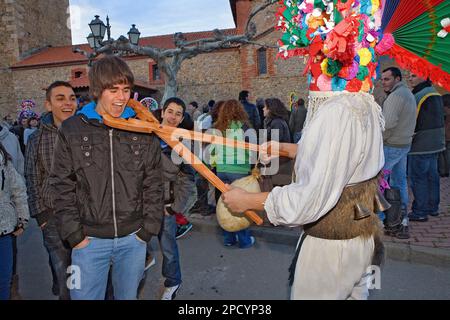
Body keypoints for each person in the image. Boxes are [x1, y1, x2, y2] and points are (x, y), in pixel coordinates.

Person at [223, 1, 386, 299]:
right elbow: (343, 159)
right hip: (359, 237)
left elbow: (309, 199)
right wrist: (286, 148)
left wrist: (247, 200)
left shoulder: (338, 111)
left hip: (332, 248)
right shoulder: (364, 104)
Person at [48, 56, 164, 300]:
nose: (121, 97)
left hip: (133, 240)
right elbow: (61, 185)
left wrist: (148, 230)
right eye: (113, 90)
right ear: (98, 90)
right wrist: (75, 236)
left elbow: (154, 182)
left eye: (126, 90)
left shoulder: (141, 129)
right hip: (88, 242)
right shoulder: (72, 129)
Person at [24, 81, 77, 299]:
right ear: (48, 105)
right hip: (54, 217)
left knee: (88, 274)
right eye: (60, 98)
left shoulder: (87, 133)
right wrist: (43, 216)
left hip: (86, 215)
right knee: (65, 274)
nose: (68, 103)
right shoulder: (37, 139)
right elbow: (32, 177)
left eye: (72, 98)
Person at [145, 97, 196, 300]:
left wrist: (175, 207)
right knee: (136, 241)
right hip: (144, 202)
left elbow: (188, 178)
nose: (173, 116)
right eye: (170, 111)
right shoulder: (148, 135)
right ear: (162, 112)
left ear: (182, 117)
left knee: (168, 249)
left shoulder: (182, 144)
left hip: (166, 205)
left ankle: (172, 282)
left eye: (178, 113)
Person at [380, 67, 417, 239]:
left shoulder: (395, 96)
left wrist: (379, 140)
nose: (383, 82)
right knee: (399, 181)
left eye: (387, 79)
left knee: (380, 182)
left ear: (397, 79)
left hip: (392, 145)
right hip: (403, 145)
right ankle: (401, 220)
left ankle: (381, 219)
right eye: (382, 79)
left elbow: (387, 125)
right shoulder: (407, 93)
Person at [214, 99, 255, 249]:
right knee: (241, 205)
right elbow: (252, 150)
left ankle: (228, 238)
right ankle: (244, 240)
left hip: (221, 170)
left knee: (224, 205)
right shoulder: (244, 128)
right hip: (239, 170)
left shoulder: (218, 127)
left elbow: (212, 150)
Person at [407, 74, 446, 222]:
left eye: (414, 76)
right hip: (436, 142)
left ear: (424, 76)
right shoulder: (434, 91)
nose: (410, 78)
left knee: (419, 178)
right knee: (432, 176)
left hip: (421, 144)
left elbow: (411, 120)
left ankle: (420, 211)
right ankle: (432, 207)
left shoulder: (418, 95)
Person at [0, 142, 29, 300]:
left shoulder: (2, 158)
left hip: (4, 230)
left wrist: (22, 218)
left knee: (4, 281)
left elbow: (18, 189)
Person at [263, 98, 292, 186]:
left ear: (270, 109)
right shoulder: (271, 122)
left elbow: (275, 144)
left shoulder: (277, 123)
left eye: (265, 107)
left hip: (279, 163)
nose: (263, 108)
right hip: (276, 162)